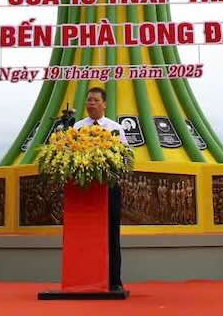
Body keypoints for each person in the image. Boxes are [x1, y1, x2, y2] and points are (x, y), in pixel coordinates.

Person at [71, 86, 124, 292]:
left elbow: (126, 156)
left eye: (94, 100)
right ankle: (84, 279)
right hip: (83, 191)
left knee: (112, 235)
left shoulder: (115, 128)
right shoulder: (77, 127)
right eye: (88, 100)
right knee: (84, 235)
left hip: (108, 189)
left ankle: (114, 281)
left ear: (104, 104)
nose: (90, 103)